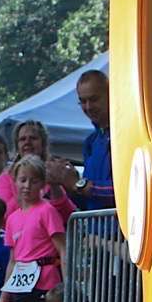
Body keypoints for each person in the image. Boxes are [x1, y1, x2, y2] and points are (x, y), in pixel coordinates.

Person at [2, 154, 68, 302]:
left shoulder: (47, 210)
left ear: (43, 185)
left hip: (45, 286)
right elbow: (13, 259)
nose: (27, 186)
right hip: (22, 289)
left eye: (33, 181)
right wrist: (3, 297)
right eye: (22, 180)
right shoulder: (12, 218)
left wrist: (67, 284)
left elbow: (61, 246)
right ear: (15, 183)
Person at [48, 68, 115, 210]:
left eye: (94, 99)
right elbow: (85, 202)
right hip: (94, 230)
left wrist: (81, 185)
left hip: (122, 230)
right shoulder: (90, 143)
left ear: (110, 94)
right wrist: (64, 181)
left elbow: (130, 191)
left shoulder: (125, 135)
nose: (88, 107)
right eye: (83, 101)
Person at [0, 120, 76, 223]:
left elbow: (69, 215)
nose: (27, 142)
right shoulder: (6, 177)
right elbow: (3, 215)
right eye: (22, 139)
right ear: (17, 146)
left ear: (43, 143)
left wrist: (55, 186)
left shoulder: (55, 171)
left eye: (33, 138)